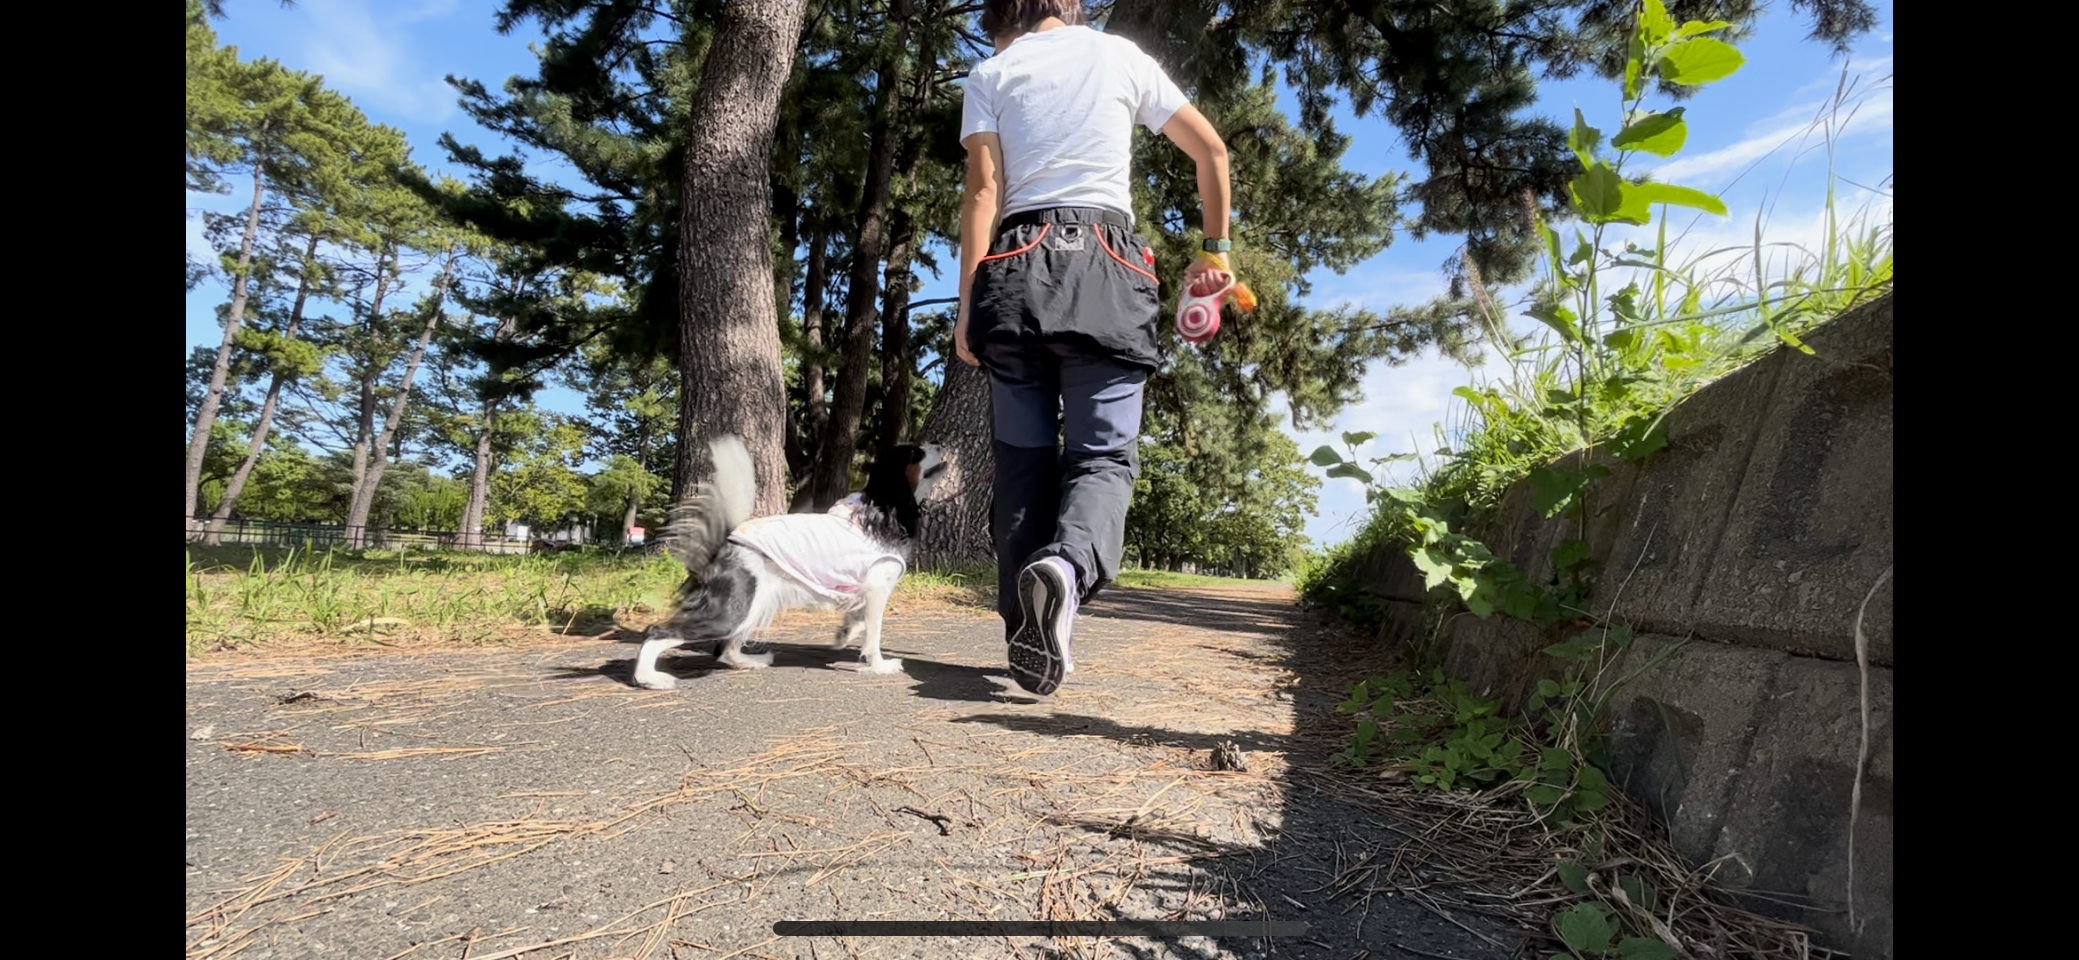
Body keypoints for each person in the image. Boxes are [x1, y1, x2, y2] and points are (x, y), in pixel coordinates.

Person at [955, 0, 1234, 696]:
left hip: (1016, 268)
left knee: (1022, 463)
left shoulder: (991, 70)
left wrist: (968, 307)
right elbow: (1211, 150)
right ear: (1069, 4)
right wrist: (1215, 253)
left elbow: (984, 191)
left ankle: (1025, 618)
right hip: (1109, 270)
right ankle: (1068, 569)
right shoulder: (1120, 56)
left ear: (1003, 13)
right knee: (1102, 456)